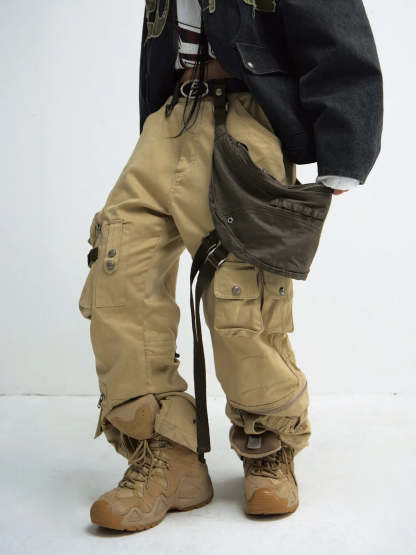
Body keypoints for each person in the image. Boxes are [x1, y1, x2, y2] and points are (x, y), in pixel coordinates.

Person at [78, 0, 383, 531]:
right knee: (118, 275)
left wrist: (345, 148)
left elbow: (337, 31)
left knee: (244, 295)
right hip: (168, 119)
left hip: (247, 119)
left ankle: (269, 445)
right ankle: (165, 455)